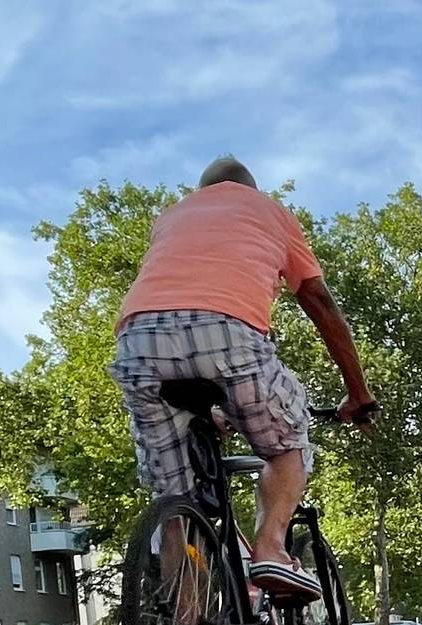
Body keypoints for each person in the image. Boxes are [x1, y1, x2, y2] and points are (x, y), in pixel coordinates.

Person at [110, 155, 375, 599]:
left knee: (177, 506)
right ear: (250, 189)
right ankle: (270, 549)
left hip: (138, 340)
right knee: (285, 446)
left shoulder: (172, 216)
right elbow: (320, 303)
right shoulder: (271, 211)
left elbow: (177, 312)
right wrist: (357, 393)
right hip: (227, 332)